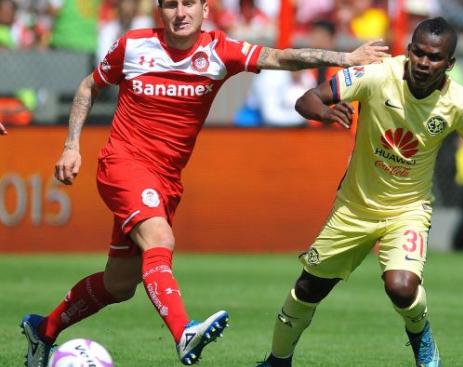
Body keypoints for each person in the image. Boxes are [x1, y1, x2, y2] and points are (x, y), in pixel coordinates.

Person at [19, 0, 389, 366]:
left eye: (189, 4)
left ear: (204, 10)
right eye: (170, 5)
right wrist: (71, 147)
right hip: (123, 165)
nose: (180, 13)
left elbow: (281, 57)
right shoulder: (133, 45)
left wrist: (344, 59)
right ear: (159, 12)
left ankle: (44, 330)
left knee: (119, 284)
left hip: (165, 180)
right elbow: (88, 87)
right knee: (160, 240)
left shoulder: (219, 51)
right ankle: (184, 333)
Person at [256, 17, 463, 367]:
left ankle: (421, 336)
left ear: (450, 63)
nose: (424, 63)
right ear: (409, 51)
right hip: (354, 207)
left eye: (435, 58)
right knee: (308, 289)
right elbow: (307, 99)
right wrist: (324, 112)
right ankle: (277, 361)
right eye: (419, 53)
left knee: (401, 286)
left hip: (408, 210)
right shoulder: (378, 74)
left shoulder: (457, 102)